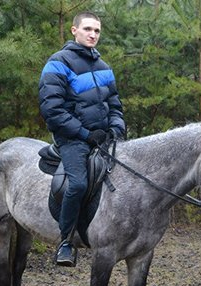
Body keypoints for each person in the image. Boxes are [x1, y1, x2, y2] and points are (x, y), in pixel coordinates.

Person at [38, 11, 126, 266]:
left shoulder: (104, 67)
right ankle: (65, 241)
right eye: (88, 29)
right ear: (74, 31)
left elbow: (115, 105)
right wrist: (85, 134)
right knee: (77, 184)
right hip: (73, 139)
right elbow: (52, 110)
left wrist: (116, 129)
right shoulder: (57, 63)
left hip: (104, 138)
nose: (93, 34)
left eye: (97, 31)